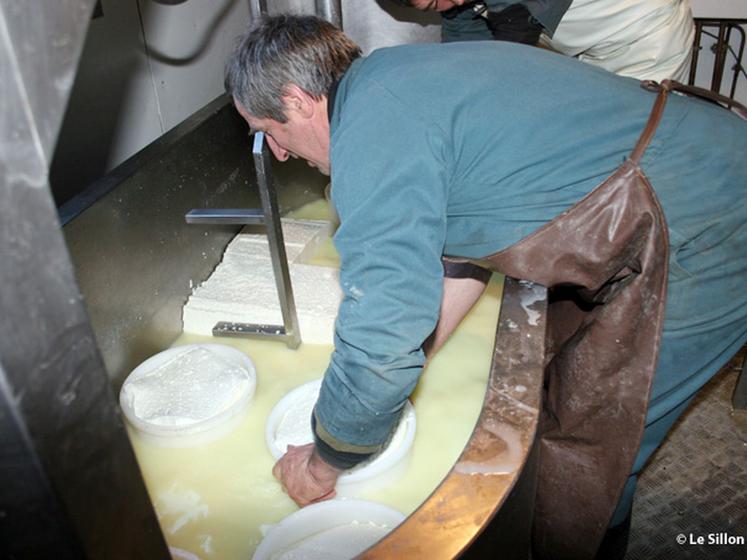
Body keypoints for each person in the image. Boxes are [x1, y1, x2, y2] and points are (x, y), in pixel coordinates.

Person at [224, 15, 747, 559]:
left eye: (268, 130)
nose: (278, 153)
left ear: (299, 99)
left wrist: (323, 461)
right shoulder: (396, 81)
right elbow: (462, 259)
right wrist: (406, 373)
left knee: (600, 434)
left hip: (716, 220)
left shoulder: (369, 132)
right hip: (708, 163)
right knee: (572, 400)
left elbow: (385, 329)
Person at [394, 0, 695, 82]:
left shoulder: (511, 16)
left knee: (642, 149)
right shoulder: (459, 8)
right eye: (434, 4)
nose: (449, 0)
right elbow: (463, 60)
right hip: (587, 50)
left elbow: (508, 64)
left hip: (645, 34)